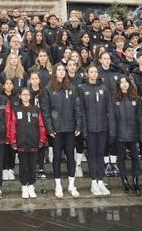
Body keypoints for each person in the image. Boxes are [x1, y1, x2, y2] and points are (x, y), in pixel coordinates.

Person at [41, 63, 82, 198]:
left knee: (71, 156)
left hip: (70, 128)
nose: (61, 72)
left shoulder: (72, 88)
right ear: (54, 72)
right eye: (58, 70)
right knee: (57, 157)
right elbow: (45, 111)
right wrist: (49, 128)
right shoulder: (48, 89)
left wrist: (78, 125)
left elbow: (77, 108)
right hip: (56, 130)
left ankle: (71, 185)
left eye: (63, 70)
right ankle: (58, 185)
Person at [78, 66, 114, 196]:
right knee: (92, 154)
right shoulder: (82, 89)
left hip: (103, 127)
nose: (94, 74)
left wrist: (111, 127)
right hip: (90, 128)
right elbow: (81, 110)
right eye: (91, 71)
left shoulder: (104, 88)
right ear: (87, 74)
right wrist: (84, 129)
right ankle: (94, 182)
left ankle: (100, 180)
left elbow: (109, 108)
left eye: (95, 71)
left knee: (101, 154)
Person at [7, 87, 47, 199]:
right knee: (23, 166)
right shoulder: (16, 110)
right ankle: (24, 186)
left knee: (32, 165)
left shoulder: (36, 110)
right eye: (23, 94)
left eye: (27, 94)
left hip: (34, 142)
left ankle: (31, 185)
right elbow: (12, 126)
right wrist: (13, 141)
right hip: (21, 143)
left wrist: (42, 139)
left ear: (30, 96)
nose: (25, 96)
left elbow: (41, 126)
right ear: (20, 96)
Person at [113, 75, 142, 196]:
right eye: (121, 82)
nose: (124, 84)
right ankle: (125, 181)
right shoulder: (115, 99)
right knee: (121, 158)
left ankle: (136, 182)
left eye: (126, 82)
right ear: (118, 85)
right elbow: (112, 118)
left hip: (133, 133)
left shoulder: (136, 99)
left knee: (135, 158)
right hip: (120, 134)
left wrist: (141, 134)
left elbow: (141, 118)